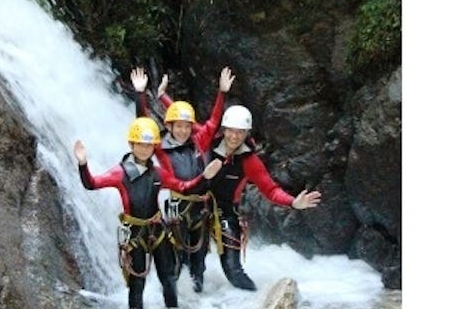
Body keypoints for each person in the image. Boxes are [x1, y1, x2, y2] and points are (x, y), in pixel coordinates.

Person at [74, 117, 222, 309]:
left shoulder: (158, 174)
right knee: (137, 284)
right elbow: (92, 184)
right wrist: (83, 164)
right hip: (135, 234)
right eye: (140, 145)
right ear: (131, 144)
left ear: (154, 147)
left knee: (168, 278)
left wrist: (204, 177)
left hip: (158, 230)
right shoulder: (119, 174)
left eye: (149, 145)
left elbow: (183, 188)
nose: (145, 149)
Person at [129, 67, 234, 293]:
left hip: (201, 208)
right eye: (179, 126)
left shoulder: (199, 141)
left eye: (187, 126)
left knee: (199, 258)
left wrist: (222, 93)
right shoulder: (161, 148)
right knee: (178, 258)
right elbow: (144, 123)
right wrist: (140, 94)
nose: (184, 131)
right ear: (170, 126)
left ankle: (200, 297)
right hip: (178, 209)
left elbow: (215, 121)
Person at [202, 104, 323, 291]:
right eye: (231, 131)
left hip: (225, 211)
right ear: (224, 129)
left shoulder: (249, 161)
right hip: (196, 206)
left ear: (246, 134)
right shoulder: (208, 143)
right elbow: (183, 129)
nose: (234, 137)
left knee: (233, 270)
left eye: (240, 133)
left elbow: (270, 190)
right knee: (190, 262)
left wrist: (293, 202)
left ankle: (254, 298)